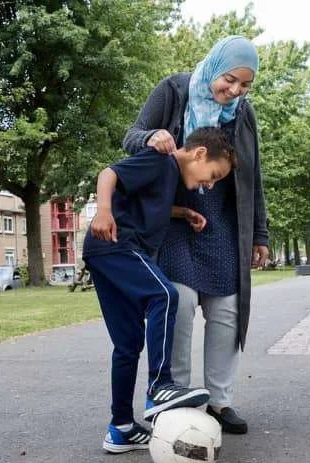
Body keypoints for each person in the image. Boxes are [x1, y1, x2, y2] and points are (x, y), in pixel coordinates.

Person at [122, 35, 269, 434]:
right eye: (230, 80)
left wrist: (260, 233)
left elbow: (253, 176)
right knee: (181, 304)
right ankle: (177, 397)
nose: (235, 91)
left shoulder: (243, 114)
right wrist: (150, 138)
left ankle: (219, 402)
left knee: (226, 310)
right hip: (173, 221)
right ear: (215, 66)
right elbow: (130, 136)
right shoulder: (174, 90)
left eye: (245, 85)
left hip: (221, 222)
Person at [84, 127, 236, 454]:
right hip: (117, 243)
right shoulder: (161, 162)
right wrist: (104, 210)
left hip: (103, 251)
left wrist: (184, 212)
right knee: (165, 295)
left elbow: (149, 206)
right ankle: (159, 386)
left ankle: (120, 427)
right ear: (198, 154)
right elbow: (109, 173)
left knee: (127, 343)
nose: (210, 184)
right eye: (213, 175)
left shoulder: (168, 181)